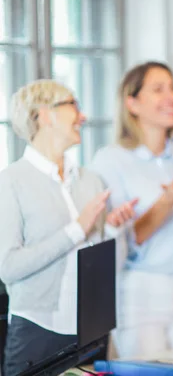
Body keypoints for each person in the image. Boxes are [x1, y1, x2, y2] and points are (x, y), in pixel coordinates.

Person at [0, 80, 137, 376]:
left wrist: (114, 230)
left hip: (91, 330)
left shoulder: (92, 181)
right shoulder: (10, 182)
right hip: (37, 334)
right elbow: (8, 267)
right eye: (73, 105)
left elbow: (112, 265)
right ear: (45, 114)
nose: (83, 116)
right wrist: (76, 229)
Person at [89, 62, 173, 357]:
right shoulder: (111, 160)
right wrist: (167, 201)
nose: (171, 96)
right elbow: (124, 239)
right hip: (140, 291)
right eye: (158, 89)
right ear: (132, 103)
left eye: (172, 88)